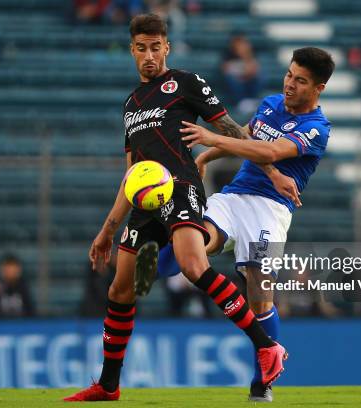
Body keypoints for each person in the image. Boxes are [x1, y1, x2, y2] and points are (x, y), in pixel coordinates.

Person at [63, 13, 287, 402]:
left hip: (180, 187)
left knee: (193, 266)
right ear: (132, 50)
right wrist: (107, 229)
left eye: (155, 47)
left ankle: (267, 346)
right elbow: (131, 174)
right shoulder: (131, 104)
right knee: (120, 289)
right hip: (144, 201)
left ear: (166, 47)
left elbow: (232, 129)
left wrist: (269, 170)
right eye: (141, 48)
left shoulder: (185, 82)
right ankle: (109, 385)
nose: (148, 55)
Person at [136, 47, 335, 401]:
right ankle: (157, 257)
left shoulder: (316, 128)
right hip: (234, 197)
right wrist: (209, 156)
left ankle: (263, 384)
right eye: (289, 75)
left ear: (318, 88)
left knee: (258, 289)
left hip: (271, 211)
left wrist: (212, 138)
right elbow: (247, 136)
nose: (289, 84)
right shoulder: (271, 103)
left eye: (300, 81)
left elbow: (270, 153)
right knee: (197, 240)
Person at [221, 32, 263, 112]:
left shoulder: (251, 54)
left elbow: (253, 69)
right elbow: (226, 70)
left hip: (247, 80)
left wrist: (245, 55)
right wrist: (242, 73)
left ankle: (251, 100)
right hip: (235, 82)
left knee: (258, 77)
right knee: (231, 80)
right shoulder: (227, 54)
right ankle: (240, 102)